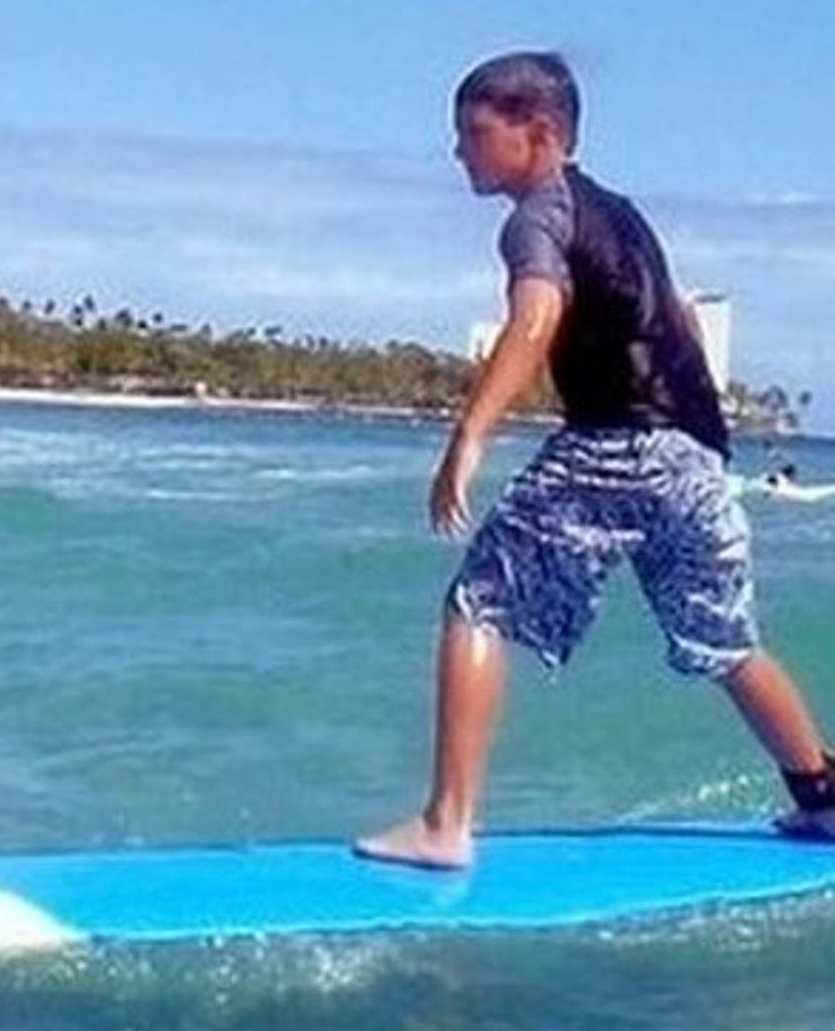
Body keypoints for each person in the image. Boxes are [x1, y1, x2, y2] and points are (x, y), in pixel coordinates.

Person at [356, 52, 833, 868]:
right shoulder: (624, 213)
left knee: (479, 604)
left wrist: (469, 436)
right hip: (693, 457)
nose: (460, 152)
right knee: (725, 640)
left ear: (539, 134)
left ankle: (446, 823)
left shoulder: (537, 217)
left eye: (474, 133)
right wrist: (699, 446)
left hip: (616, 445)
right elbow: (676, 318)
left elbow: (534, 319)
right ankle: (826, 801)